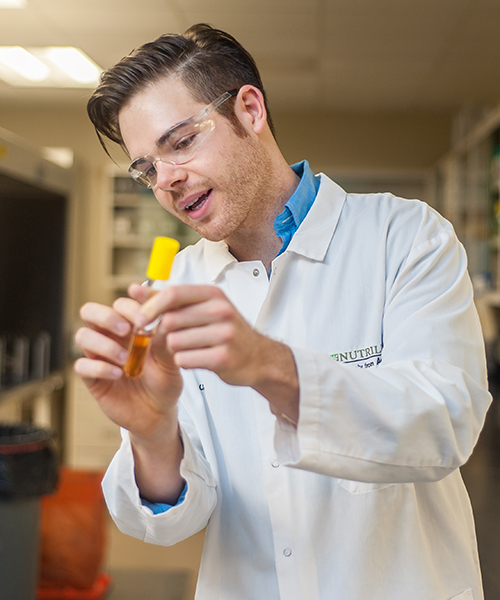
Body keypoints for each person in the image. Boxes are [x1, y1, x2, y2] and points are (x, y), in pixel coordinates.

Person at [75, 23, 492, 600]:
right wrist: (151, 432)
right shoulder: (179, 286)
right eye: (147, 168)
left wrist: (271, 366)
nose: (166, 181)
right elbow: (172, 520)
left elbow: (446, 423)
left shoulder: (406, 236)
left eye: (181, 141)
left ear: (249, 109)